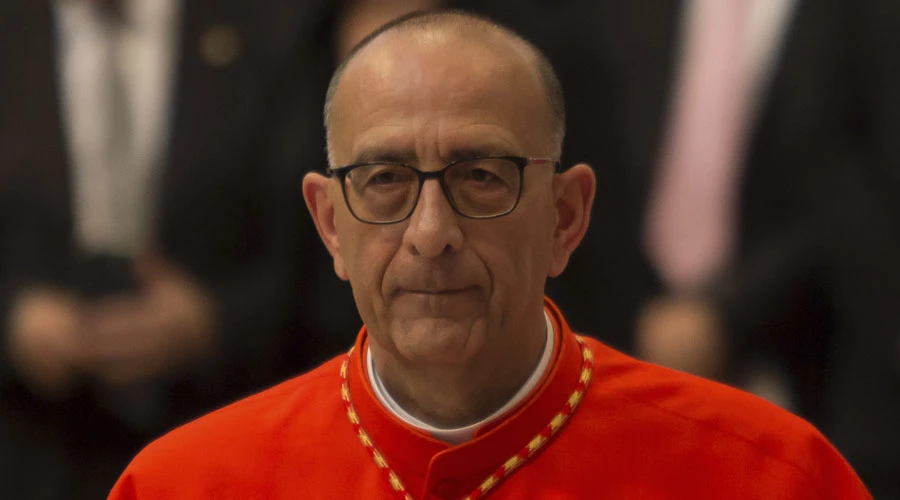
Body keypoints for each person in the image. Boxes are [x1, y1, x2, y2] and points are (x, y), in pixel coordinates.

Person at [107, 11, 870, 499]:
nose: (431, 232)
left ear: (566, 217)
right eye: (384, 180)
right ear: (331, 224)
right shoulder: (185, 484)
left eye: (480, 177)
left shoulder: (769, 476)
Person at [0, 1, 356, 498]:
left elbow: (321, 248)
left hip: (218, 427)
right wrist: (12, 316)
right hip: (29, 436)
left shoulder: (276, 29)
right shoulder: (14, 32)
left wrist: (214, 322)